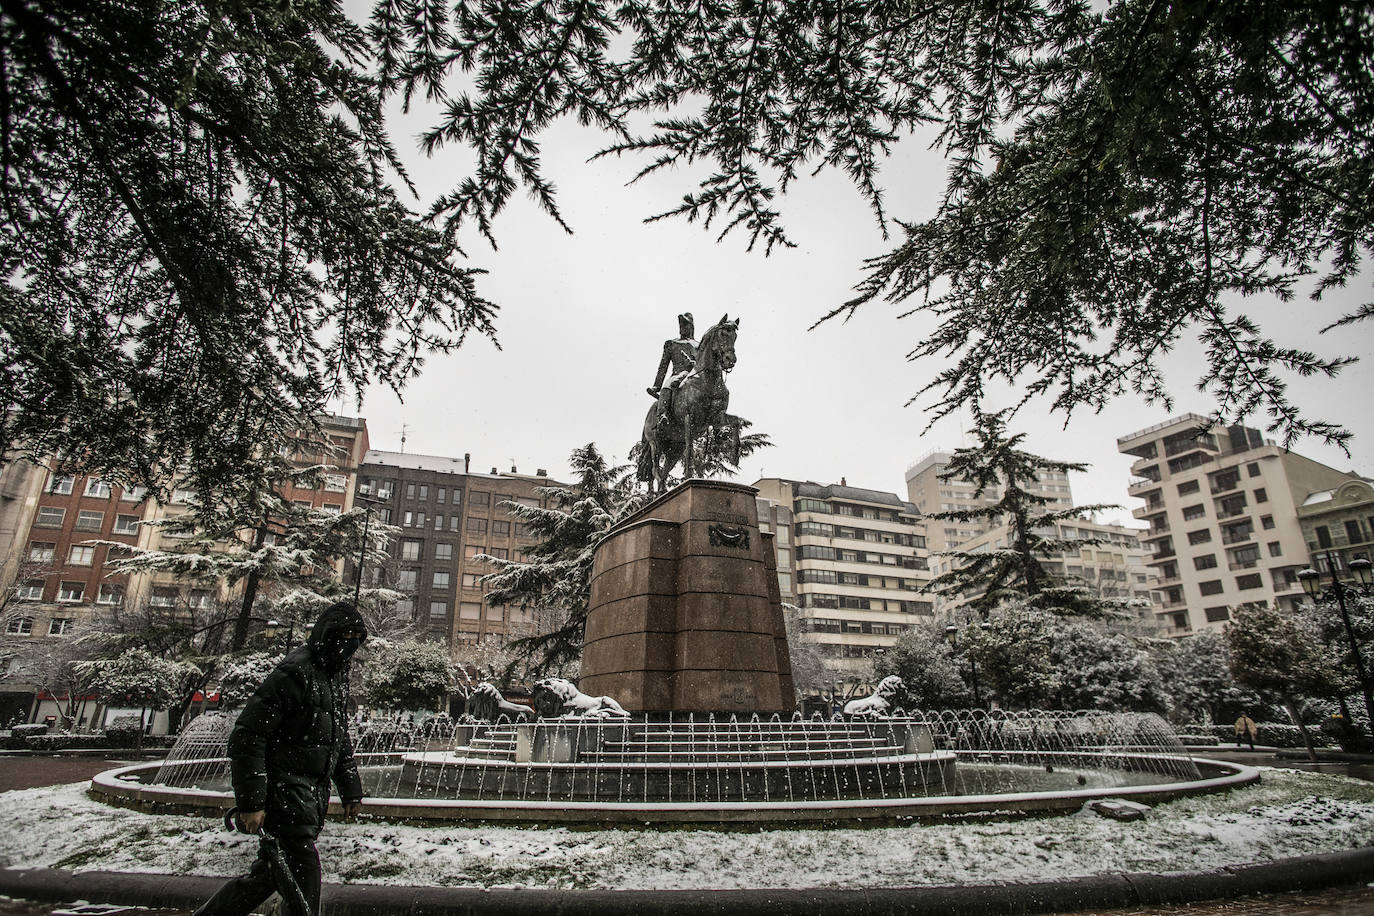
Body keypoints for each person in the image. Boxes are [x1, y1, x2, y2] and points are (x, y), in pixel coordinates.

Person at [194, 602, 368, 916]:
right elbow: (248, 736)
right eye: (346, 635)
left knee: (266, 878)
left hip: (305, 797)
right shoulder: (296, 672)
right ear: (328, 636)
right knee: (305, 875)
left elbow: (337, 737)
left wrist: (350, 789)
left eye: (358, 636)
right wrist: (252, 803)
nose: (351, 643)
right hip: (284, 794)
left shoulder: (335, 677)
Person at [646, 312, 698, 412]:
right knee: (667, 386)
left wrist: (694, 365)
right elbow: (663, 367)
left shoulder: (698, 345)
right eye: (681, 325)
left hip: (694, 378)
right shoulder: (672, 344)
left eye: (685, 324)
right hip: (676, 376)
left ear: (691, 326)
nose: (682, 327)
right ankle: (663, 415)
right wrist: (657, 386)